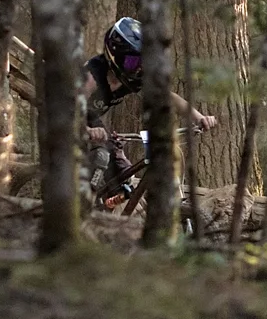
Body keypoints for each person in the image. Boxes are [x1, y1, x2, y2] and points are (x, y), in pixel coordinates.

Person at [82, 16, 215, 201]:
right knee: (100, 157)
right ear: (116, 54)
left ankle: (112, 205)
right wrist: (87, 130)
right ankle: (81, 208)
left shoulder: (131, 79)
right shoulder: (91, 78)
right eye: (133, 63)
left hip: (93, 124)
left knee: (124, 173)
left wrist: (199, 117)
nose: (139, 70)